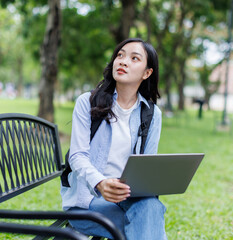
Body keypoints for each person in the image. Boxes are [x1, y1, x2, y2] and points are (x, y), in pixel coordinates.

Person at [61, 38, 167, 239]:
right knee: (147, 225)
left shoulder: (152, 114)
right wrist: (101, 183)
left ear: (147, 73)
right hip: (87, 201)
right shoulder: (87, 102)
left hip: (129, 197)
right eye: (120, 55)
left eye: (134, 58)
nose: (123, 61)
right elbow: (77, 156)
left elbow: (147, 165)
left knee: (151, 207)